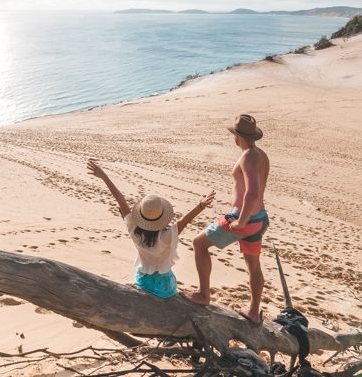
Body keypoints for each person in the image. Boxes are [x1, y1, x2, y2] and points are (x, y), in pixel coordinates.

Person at [183, 114, 270, 325]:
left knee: (199, 243)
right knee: (253, 266)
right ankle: (253, 311)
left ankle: (204, 294)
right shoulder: (261, 155)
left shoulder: (248, 157)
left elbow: (252, 192)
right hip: (259, 218)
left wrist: (241, 221)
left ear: (237, 137)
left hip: (244, 220)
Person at [87, 159, 215, 298]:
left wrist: (104, 176)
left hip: (144, 283)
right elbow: (185, 220)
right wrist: (201, 206)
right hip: (165, 288)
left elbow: (120, 199)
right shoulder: (168, 236)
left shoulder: (134, 231)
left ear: (141, 215)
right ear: (162, 217)